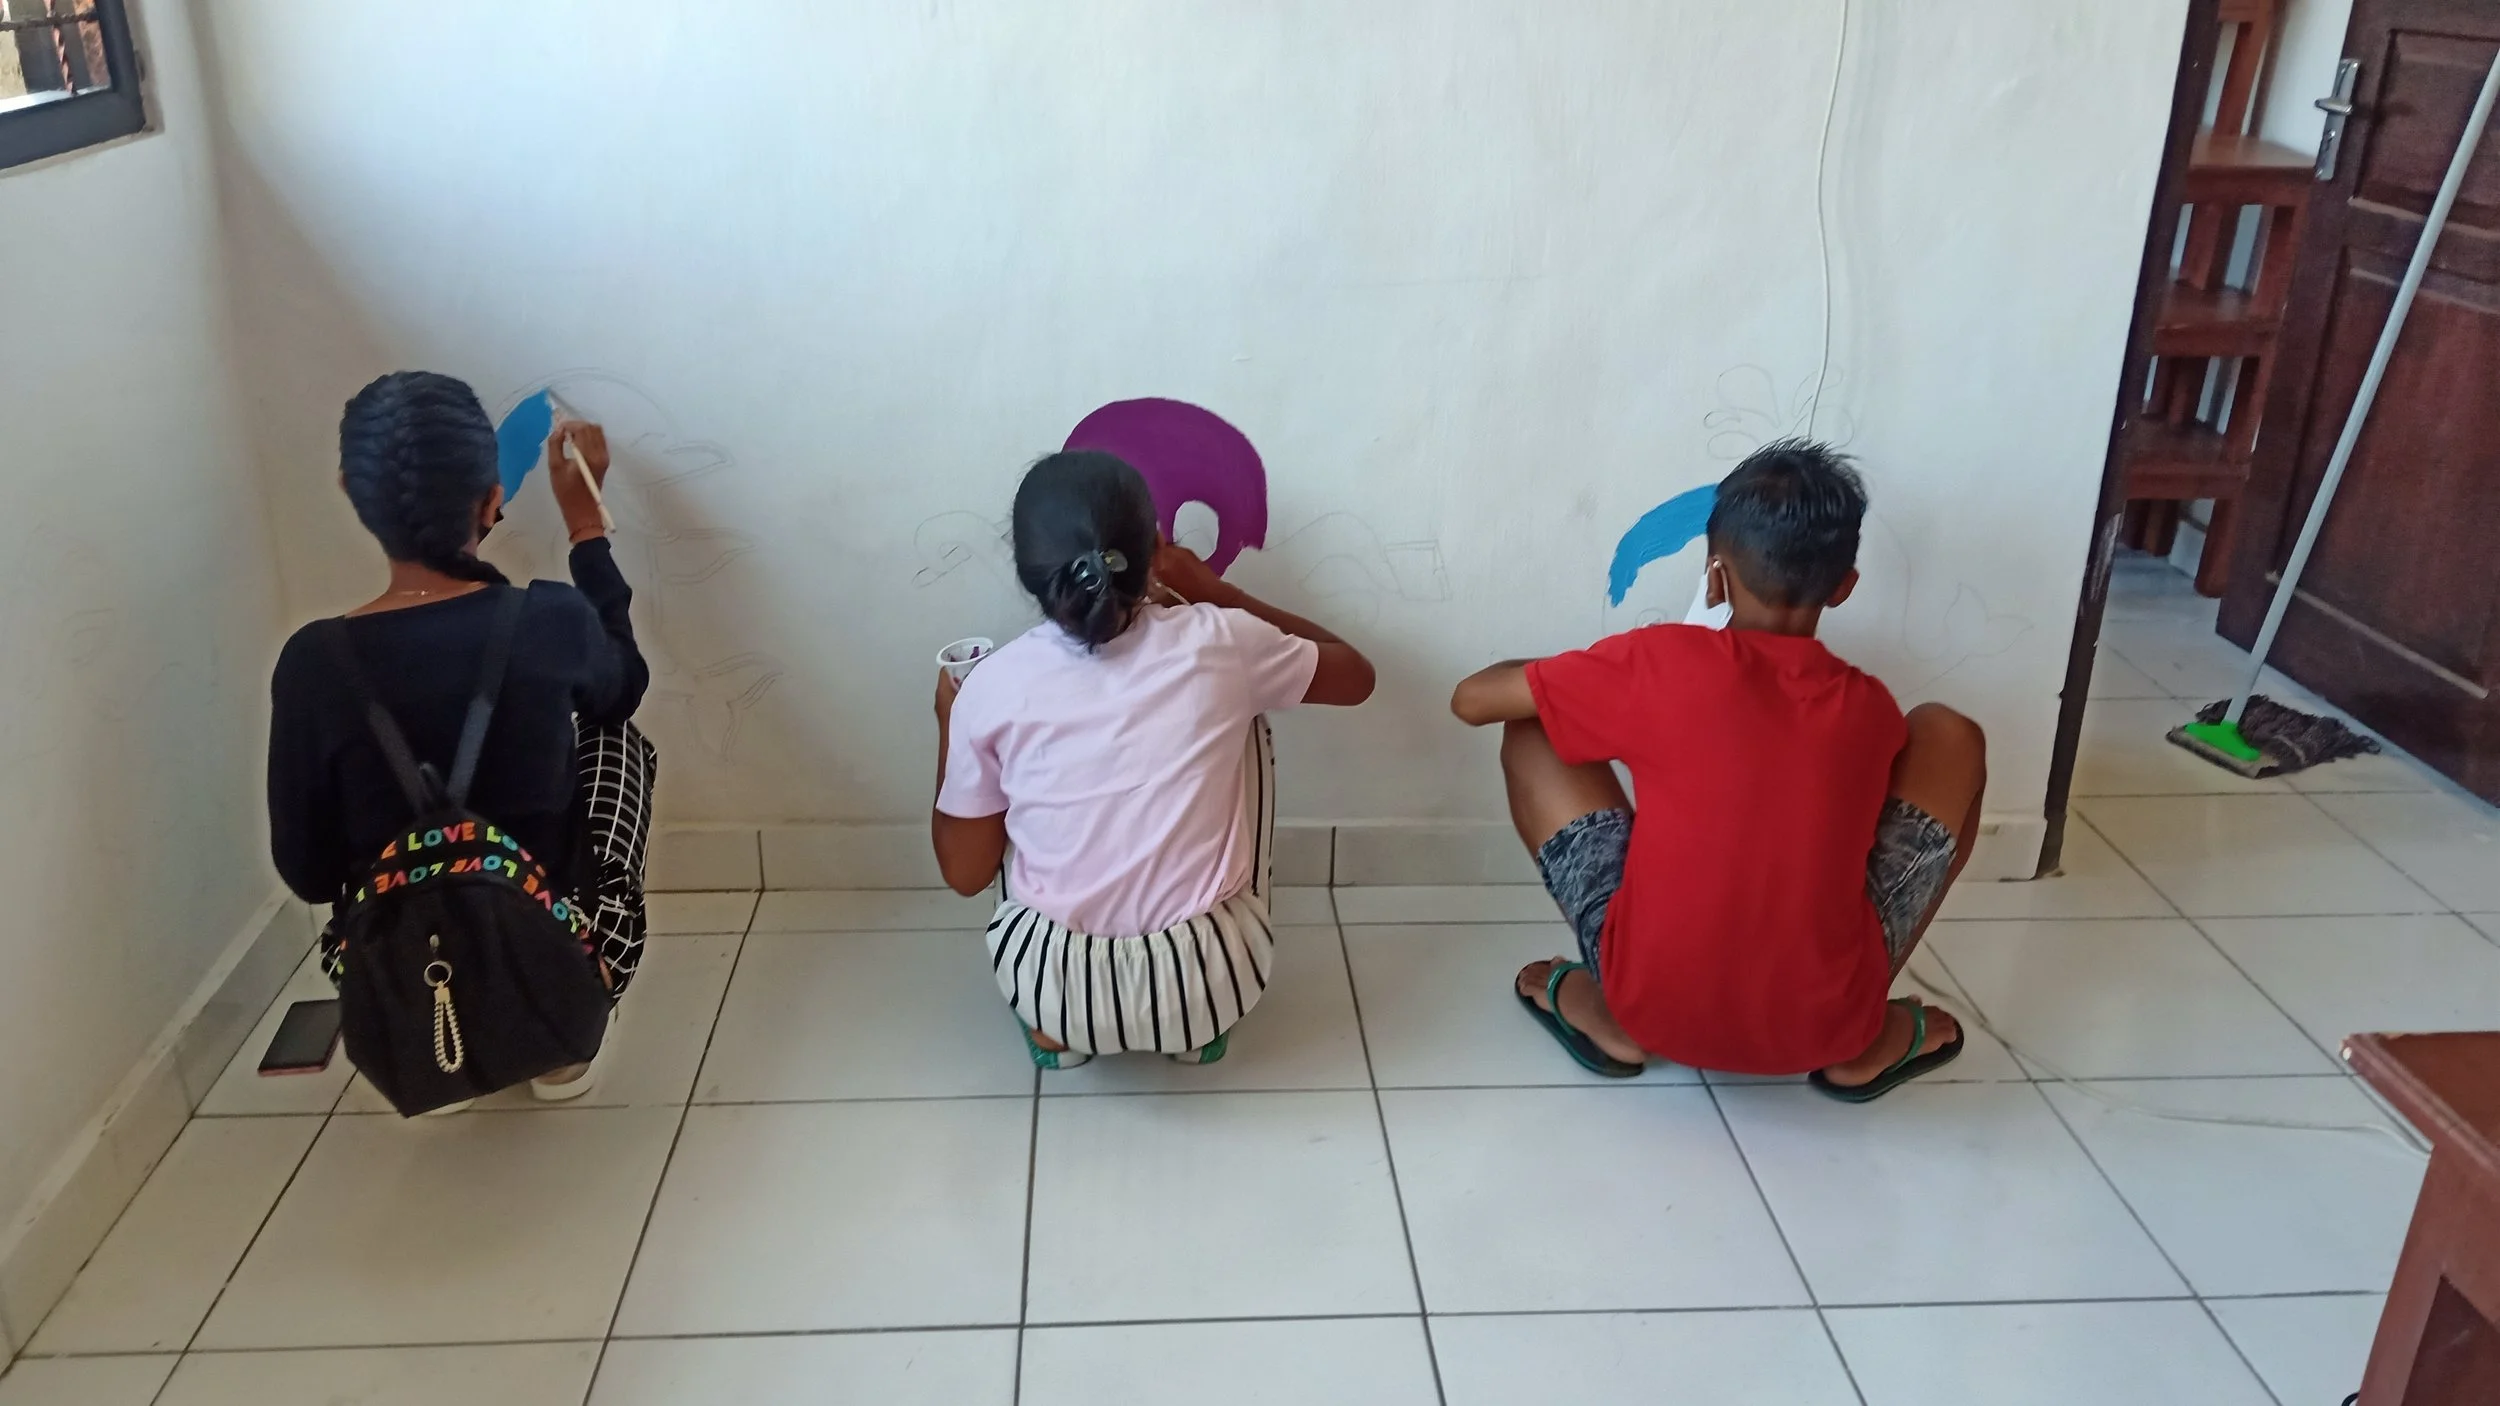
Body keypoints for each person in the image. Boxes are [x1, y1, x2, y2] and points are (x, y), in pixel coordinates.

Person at [1450, 438, 1986, 1100]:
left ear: (1714, 576)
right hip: (1824, 1025)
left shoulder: (1655, 663)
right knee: (1950, 735)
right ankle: (1864, 1035)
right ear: (1844, 587)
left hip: (1651, 1009)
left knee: (1534, 726)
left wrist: (1569, 678)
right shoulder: (1869, 706)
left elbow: (1471, 699)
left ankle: (1609, 1013)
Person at [267, 371, 656, 1105]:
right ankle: (558, 1050)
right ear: (491, 500)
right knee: (616, 741)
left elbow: (309, 874)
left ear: (351, 493)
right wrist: (586, 529)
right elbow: (623, 686)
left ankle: (435, 1043)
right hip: (558, 951)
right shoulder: (549, 622)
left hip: (403, 970)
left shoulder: (314, 663)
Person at [932, 451, 1375, 1068]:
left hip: (1054, 990)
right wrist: (1217, 594)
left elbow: (965, 875)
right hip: (1213, 980)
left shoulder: (993, 685)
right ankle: (1191, 1033)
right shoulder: (1222, 640)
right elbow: (1356, 675)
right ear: (1155, 550)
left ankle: (1060, 1036)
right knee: (1246, 719)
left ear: (1028, 571)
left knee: (1002, 782)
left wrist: (951, 718)